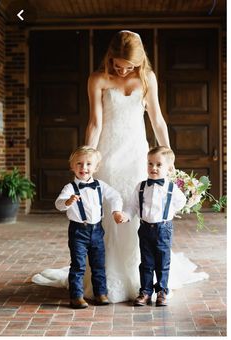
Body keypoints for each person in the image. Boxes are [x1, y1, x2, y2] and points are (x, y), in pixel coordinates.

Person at [31, 30, 208, 302]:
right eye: (118, 64)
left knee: (139, 210)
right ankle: (106, 277)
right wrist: (88, 159)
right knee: (109, 213)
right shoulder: (98, 79)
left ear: (139, 62)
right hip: (109, 154)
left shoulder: (147, 78)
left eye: (129, 66)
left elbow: (157, 120)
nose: (123, 70)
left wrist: (169, 156)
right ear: (110, 57)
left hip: (138, 153)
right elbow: (95, 123)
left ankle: (143, 280)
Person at [54, 145, 123, 308]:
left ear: (96, 167)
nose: (83, 167)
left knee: (98, 263)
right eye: (79, 163)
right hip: (78, 231)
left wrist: (116, 211)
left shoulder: (100, 185)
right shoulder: (69, 188)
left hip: (97, 230)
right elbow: (58, 204)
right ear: (72, 166)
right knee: (78, 264)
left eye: (88, 164)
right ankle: (76, 296)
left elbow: (115, 196)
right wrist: (67, 202)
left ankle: (101, 293)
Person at [118, 146, 186, 307]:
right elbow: (132, 206)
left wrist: (168, 213)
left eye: (158, 164)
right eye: (150, 163)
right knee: (146, 262)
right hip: (145, 228)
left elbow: (181, 202)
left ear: (169, 168)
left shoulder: (171, 188)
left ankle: (162, 291)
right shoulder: (141, 186)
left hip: (163, 229)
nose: (153, 168)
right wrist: (125, 216)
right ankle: (146, 292)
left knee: (163, 261)